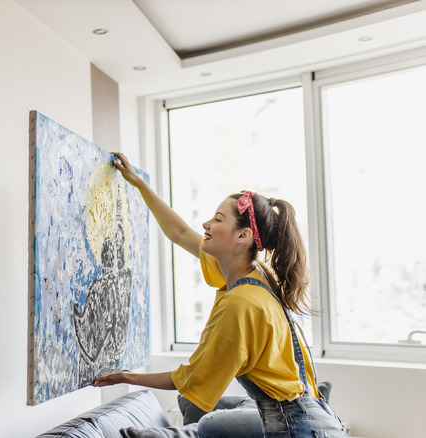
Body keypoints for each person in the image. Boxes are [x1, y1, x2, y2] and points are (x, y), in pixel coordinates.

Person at [93, 152, 343, 438]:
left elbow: (193, 377)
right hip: (317, 418)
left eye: (218, 219)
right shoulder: (252, 272)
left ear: (243, 236)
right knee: (212, 425)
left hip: (298, 430)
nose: (206, 225)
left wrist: (128, 377)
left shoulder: (240, 304)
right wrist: (139, 184)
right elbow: (179, 232)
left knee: (212, 425)